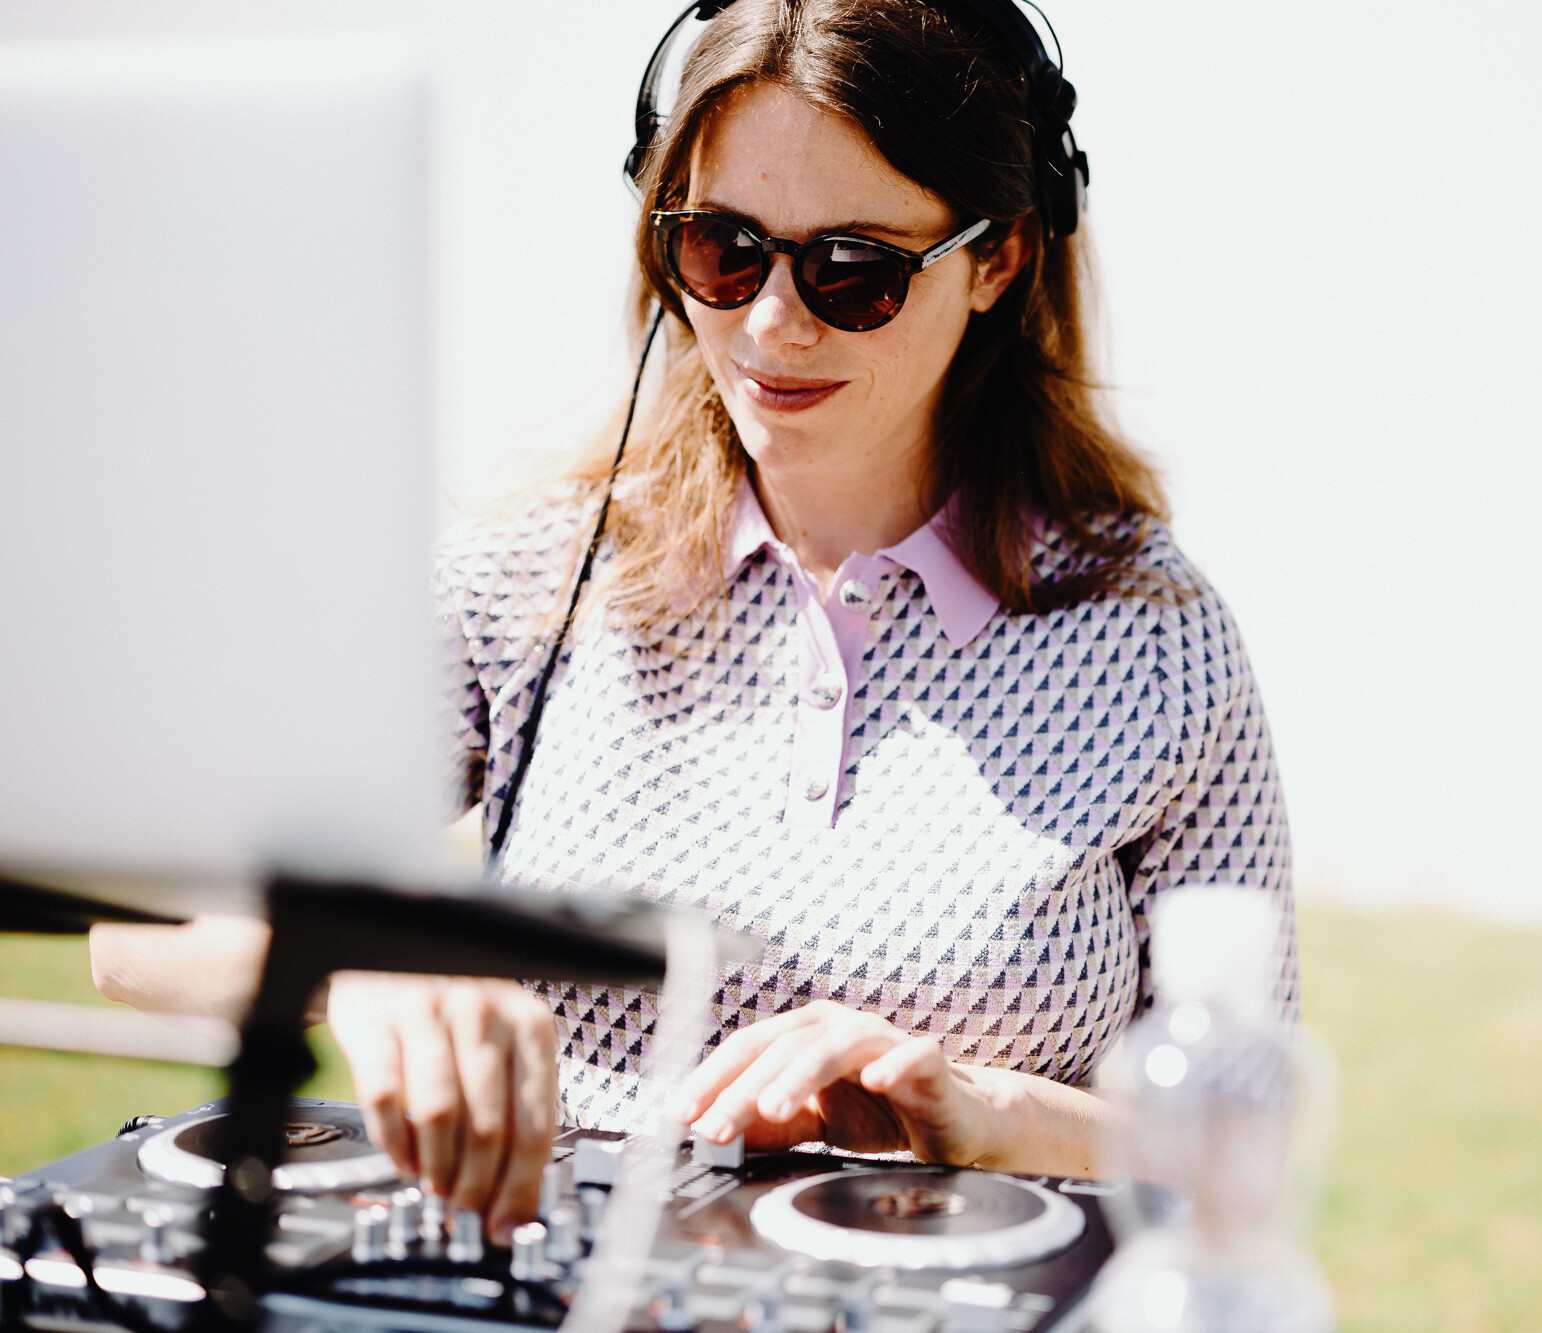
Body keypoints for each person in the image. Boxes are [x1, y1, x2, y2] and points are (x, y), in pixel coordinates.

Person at [91, 0, 1296, 1243]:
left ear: (999, 260)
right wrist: (361, 969)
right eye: (721, 250)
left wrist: (991, 1111)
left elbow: (1248, 1139)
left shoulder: (1156, 636)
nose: (769, 324)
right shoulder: (533, 578)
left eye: (851, 270)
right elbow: (141, 930)